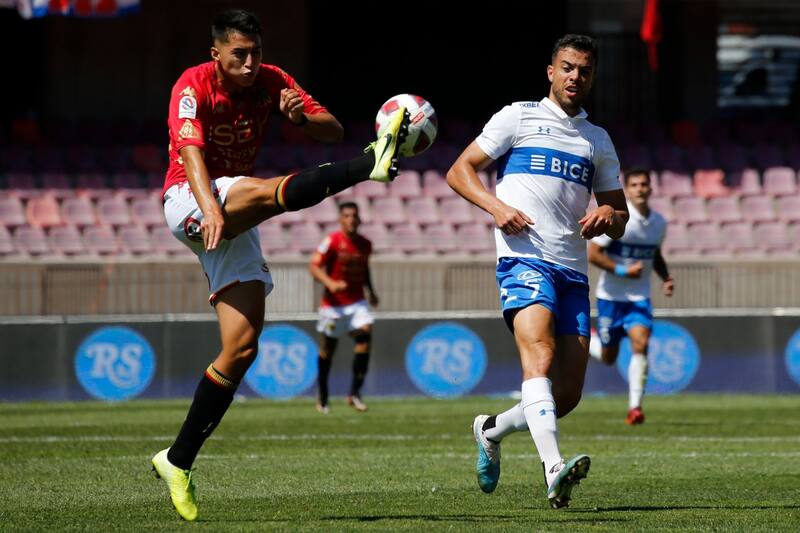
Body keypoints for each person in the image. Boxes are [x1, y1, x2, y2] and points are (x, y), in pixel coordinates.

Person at [150, 9, 410, 521]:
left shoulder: (273, 81)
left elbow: (330, 128)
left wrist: (299, 116)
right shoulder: (192, 85)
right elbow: (192, 154)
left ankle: (176, 460)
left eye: (257, 54)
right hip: (189, 199)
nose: (250, 64)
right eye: (239, 55)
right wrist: (209, 209)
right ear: (216, 55)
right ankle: (369, 164)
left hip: (231, 210)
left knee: (242, 346)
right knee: (267, 191)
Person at [447, 34, 628, 509]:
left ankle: (491, 429)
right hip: (523, 257)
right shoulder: (518, 116)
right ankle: (553, 469)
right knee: (540, 355)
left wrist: (609, 216)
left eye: (584, 70)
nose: (575, 77)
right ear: (551, 71)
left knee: (566, 394)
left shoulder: (598, 140)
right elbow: (459, 170)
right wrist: (495, 206)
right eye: (567, 67)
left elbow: (619, 212)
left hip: (572, 268)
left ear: (592, 77)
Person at [587, 168, 674, 425]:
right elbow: (593, 254)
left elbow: (654, 254)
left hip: (639, 297)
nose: (640, 189)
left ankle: (635, 408)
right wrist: (623, 270)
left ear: (650, 188)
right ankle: (591, 339)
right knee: (608, 357)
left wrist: (665, 277)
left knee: (641, 342)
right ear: (628, 189)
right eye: (634, 185)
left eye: (643, 184)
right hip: (610, 297)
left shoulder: (659, 223)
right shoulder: (618, 220)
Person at [309, 201, 378, 414]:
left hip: (357, 302)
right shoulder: (332, 241)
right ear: (340, 219)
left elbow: (364, 269)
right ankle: (323, 395)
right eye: (347, 216)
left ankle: (355, 393)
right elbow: (313, 266)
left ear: (359, 219)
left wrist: (371, 291)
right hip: (333, 306)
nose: (351, 220)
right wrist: (330, 284)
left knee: (365, 335)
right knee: (328, 349)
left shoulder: (365, 244)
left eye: (354, 216)